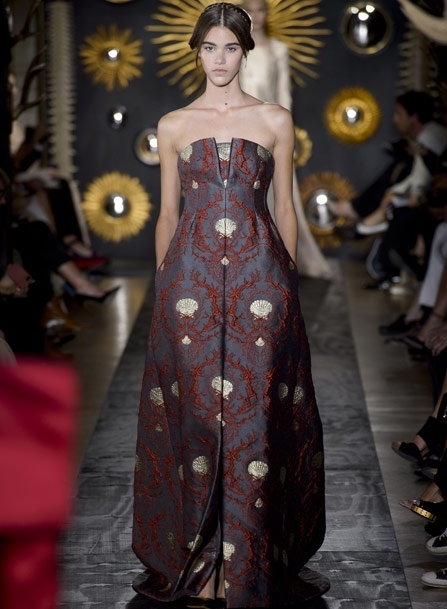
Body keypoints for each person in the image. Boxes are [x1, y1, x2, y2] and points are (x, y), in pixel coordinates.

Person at [132, 4, 327, 608]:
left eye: (230, 47)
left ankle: (251, 562)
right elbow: (168, 214)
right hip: (186, 285)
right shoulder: (173, 124)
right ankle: (203, 564)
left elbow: (285, 209)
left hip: (260, 284)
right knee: (195, 420)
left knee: (254, 423)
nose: (220, 59)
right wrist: (163, 289)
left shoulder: (274, 120)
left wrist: (287, 285)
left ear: (246, 51)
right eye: (210, 47)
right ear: (197, 52)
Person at [238, 0, 332, 280]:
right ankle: (244, 259)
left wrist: (282, 132)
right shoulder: (233, 48)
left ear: (268, 14)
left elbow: (283, 95)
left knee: (277, 193)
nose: (256, 16)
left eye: (261, 10)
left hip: (269, 130)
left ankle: (279, 260)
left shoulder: (278, 49)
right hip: (237, 130)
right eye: (250, 11)